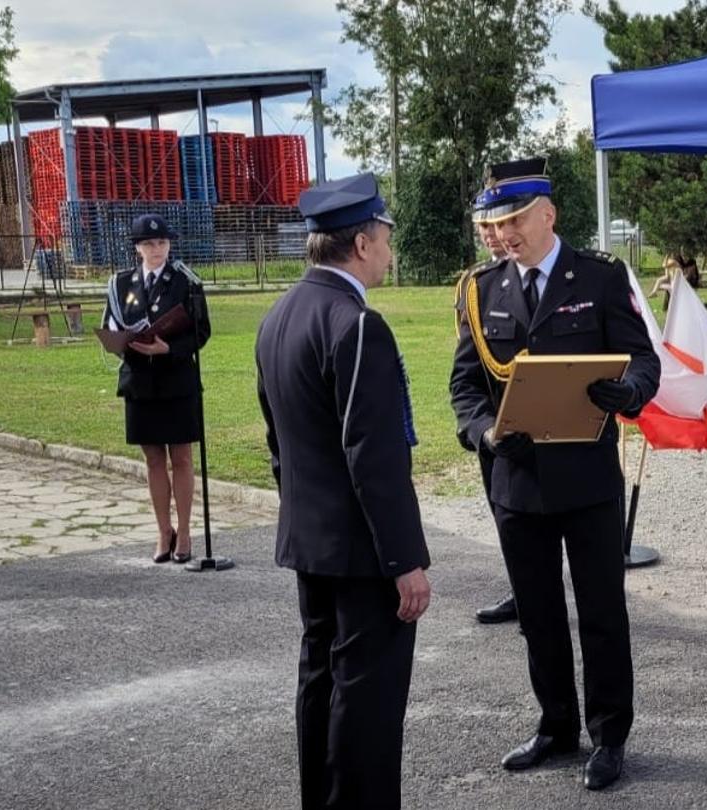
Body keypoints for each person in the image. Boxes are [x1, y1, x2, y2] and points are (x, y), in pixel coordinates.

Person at [448, 157, 660, 791]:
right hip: (517, 480)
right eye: (497, 222)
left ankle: (609, 736)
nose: (505, 233)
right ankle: (556, 726)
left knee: (601, 612)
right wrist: (484, 432)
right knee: (538, 614)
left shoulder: (598, 275)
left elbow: (644, 360)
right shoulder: (483, 289)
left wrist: (630, 393)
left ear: (548, 214)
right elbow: (465, 388)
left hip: (588, 476)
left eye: (515, 219)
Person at [256, 173, 432, 809]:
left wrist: (308, 515)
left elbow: (280, 444)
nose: (389, 249)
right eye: (385, 236)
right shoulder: (356, 323)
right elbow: (375, 459)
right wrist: (405, 562)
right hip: (362, 554)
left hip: (313, 540)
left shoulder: (280, 315)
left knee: (321, 684)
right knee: (367, 703)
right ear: (360, 243)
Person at [103, 214, 211, 564]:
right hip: (140, 382)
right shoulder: (121, 284)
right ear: (137, 247)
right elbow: (111, 324)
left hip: (177, 379)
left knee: (180, 458)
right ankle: (163, 530)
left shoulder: (184, 281)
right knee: (153, 460)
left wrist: (170, 349)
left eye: (162, 242)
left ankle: (185, 531)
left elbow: (201, 331)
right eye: (149, 244)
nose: (157, 249)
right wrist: (121, 342)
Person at [461, 214, 519, 626]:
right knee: (503, 512)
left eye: (495, 224)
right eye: (483, 226)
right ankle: (522, 588)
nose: (490, 234)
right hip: (494, 420)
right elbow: (467, 361)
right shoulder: (474, 284)